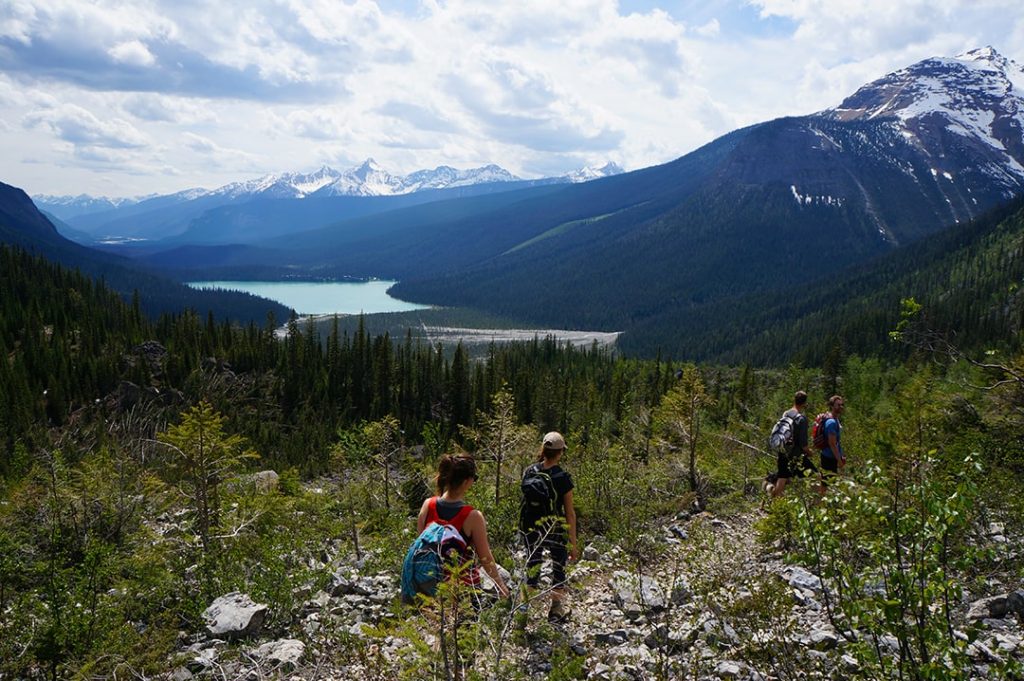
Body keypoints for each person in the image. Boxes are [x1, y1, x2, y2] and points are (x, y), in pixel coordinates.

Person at [416, 453, 510, 599]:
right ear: (466, 481)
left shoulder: (428, 505)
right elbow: (485, 558)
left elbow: (421, 545)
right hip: (461, 590)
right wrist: (501, 586)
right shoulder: (473, 516)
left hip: (429, 587)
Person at [521, 431, 578, 622]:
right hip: (555, 527)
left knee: (532, 568)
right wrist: (573, 542)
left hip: (531, 527)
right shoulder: (563, 477)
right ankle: (555, 610)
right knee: (558, 567)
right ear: (560, 452)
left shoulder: (530, 471)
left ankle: (522, 612)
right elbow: (570, 513)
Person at [770, 391, 816, 498]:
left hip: (783, 451)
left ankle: (775, 503)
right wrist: (809, 453)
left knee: (782, 476)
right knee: (816, 476)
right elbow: (803, 444)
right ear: (804, 403)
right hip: (796, 455)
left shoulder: (786, 413)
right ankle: (816, 505)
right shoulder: (801, 419)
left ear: (794, 400)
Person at [819, 395, 846, 485]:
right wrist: (839, 460)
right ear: (832, 406)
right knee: (827, 485)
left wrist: (841, 455)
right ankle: (821, 498)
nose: (841, 407)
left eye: (842, 404)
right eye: (838, 405)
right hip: (829, 458)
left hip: (830, 457)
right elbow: (832, 444)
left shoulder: (835, 419)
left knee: (829, 484)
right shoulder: (831, 423)